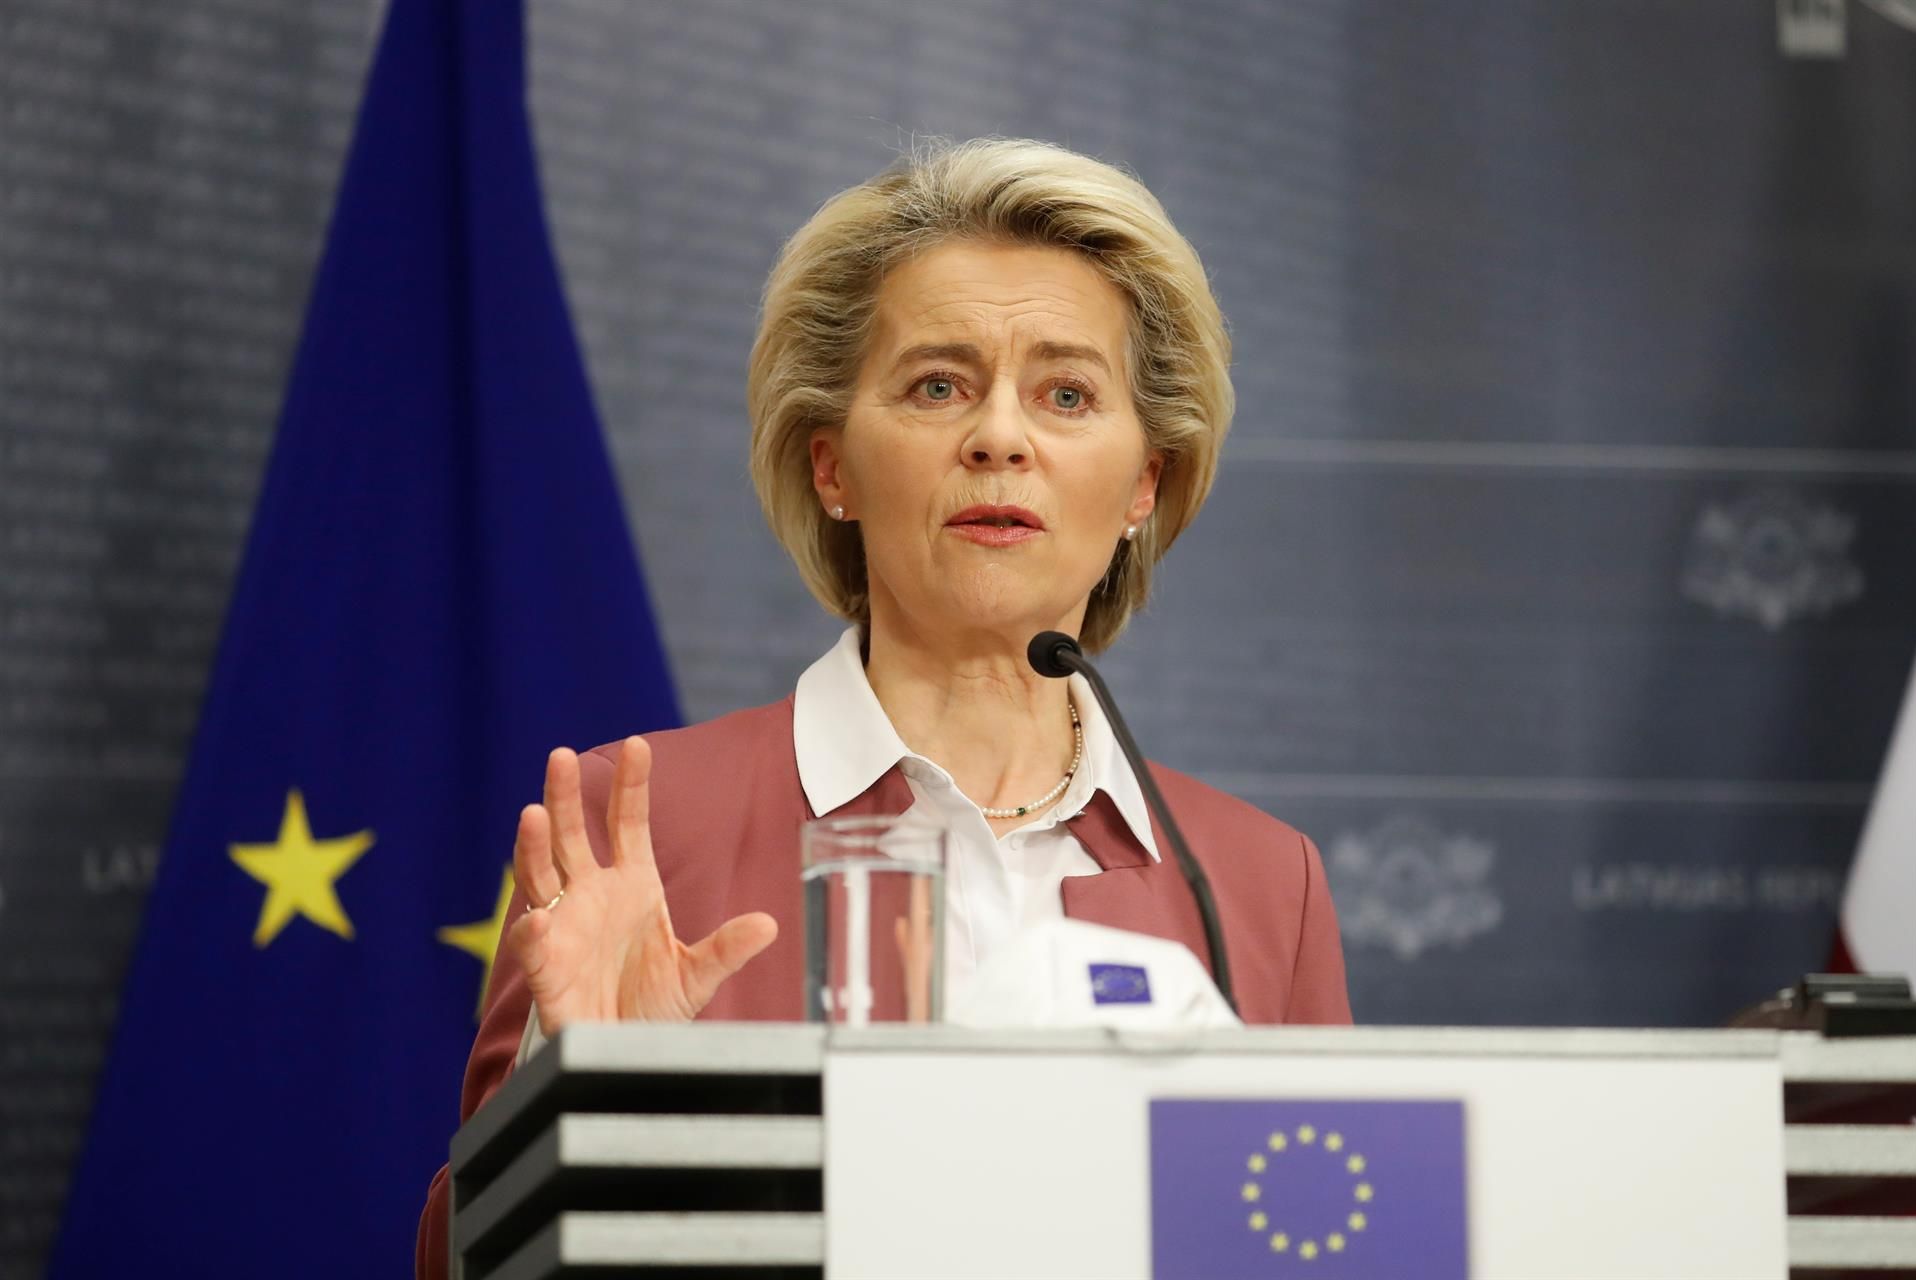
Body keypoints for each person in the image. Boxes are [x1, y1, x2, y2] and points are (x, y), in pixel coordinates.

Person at [415, 138, 1350, 1276]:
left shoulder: (1258, 882)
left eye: (1066, 392)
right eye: (938, 384)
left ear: (1144, 482)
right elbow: (456, 1262)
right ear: (832, 468)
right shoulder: (642, 823)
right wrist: (580, 1086)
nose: (1000, 436)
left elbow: (1325, 1238)